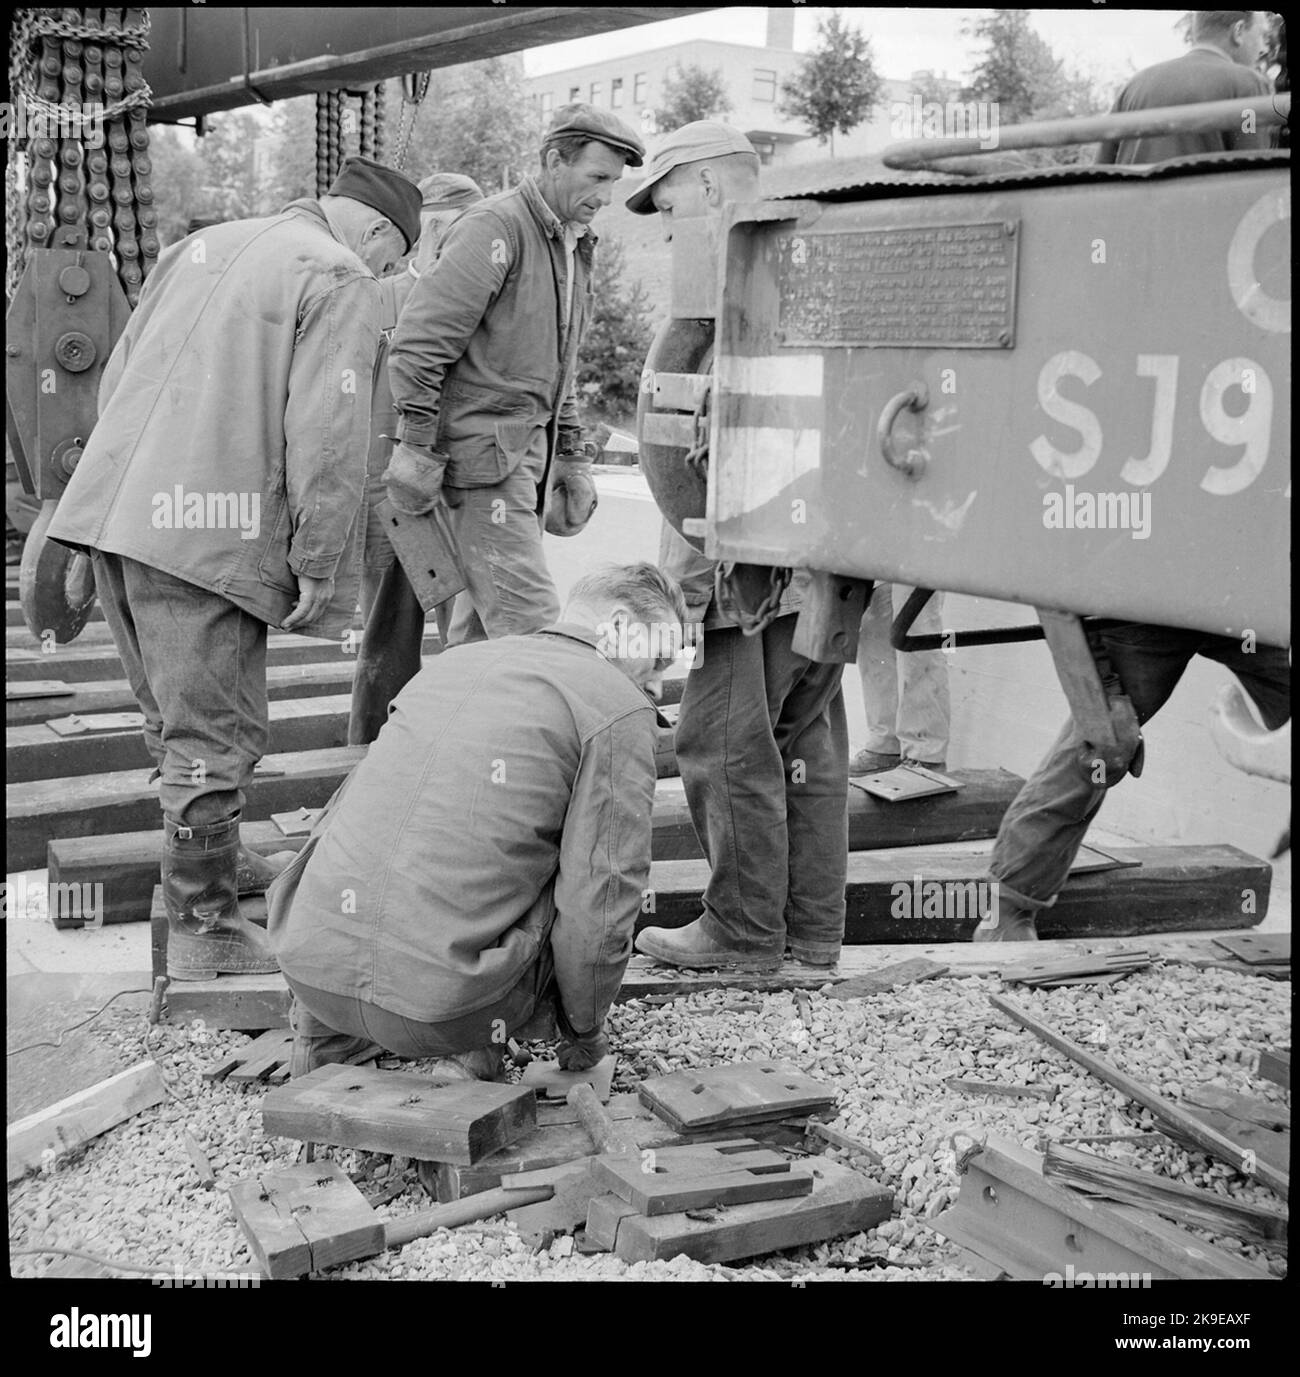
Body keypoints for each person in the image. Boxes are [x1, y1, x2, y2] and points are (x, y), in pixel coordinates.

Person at [47, 157, 422, 981]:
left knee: (173, 722)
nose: (387, 274)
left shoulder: (204, 245)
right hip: (203, 542)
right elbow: (330, 425)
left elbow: (119, 373)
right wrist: (320, 560)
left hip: (122, 515)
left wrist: (81, 513)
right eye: (394, 260)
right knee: (215, 737)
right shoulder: (342, 274)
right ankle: (203, 921)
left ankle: (215, 861)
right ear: (378, 234)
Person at [267, 563, 686, 1079]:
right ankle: (466, 1053)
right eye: (660, 658)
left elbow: (339, 815)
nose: (660, 685)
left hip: (308, 970)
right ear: (620, 623)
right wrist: (584, 1034)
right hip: (442, 1011)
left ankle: (324, 1034)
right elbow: (601, 898)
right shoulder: (617, 706)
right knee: (578, 867)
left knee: (408, 821)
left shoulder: (452, 664)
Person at [626, 122, 849, 974]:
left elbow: (683, 447)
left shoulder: (724, 270)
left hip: (747, 566)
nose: (665, 222)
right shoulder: (813, 258)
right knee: (807, 747)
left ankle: (744, 933)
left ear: (713, 188)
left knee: (724, 747)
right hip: (821, 561)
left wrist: (680, 596)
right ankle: (812, 933)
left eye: (670, 201)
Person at [384, 104, 646, 649]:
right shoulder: (495, 228)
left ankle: (461, 729)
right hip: (481, 465)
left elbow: (561, 369)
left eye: (614, 182)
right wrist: (415, 446)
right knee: (532, 631)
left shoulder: (570, 244)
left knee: (481, 638)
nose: (606, 195)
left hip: (525, 458)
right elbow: (417, 347)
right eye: (597, 177)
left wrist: (572, 455)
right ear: (554, 160)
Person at [976, 627, 1290, 941]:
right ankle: (1007, 908)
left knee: (1102, 739)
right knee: (1101, 748)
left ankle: (1009, 905)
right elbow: (1059, 601)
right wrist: (1106, 694)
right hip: (1156, 617)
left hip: (1240, 608)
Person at [350, 173, 484, 746]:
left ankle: (459, 744)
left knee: (472, 633)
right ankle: (375, 750)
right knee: (387, 635)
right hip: (389, 490)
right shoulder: (374, 296)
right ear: (430, 230)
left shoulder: (484, 295)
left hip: (466, 488)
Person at [1096, 11, 1276, 164]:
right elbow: (1253, 163)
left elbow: (1101, 169)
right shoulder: (1248, 84)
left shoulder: (1134, 85)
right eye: (1262, 35)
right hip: (1206, 204)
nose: (1263, 48)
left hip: (1132, 205)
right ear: (1238, 31)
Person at [849, 583, 950, 775]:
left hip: (922, 557)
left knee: (917, 627)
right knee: (875, 623)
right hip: (889, 555)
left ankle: (925, 753)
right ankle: (886, 745)